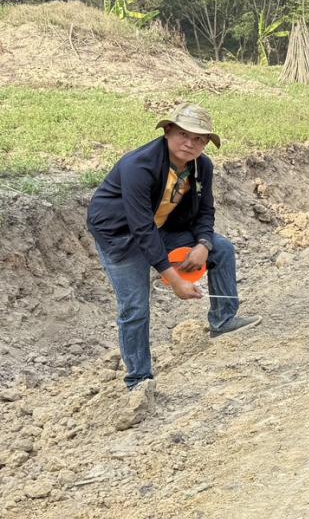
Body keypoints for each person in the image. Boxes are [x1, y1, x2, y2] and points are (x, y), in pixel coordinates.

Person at [87, 103, 260, 390]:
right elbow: (141, 229)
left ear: (206, 144)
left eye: (199, 139)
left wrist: (203, 243)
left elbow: (205, 211)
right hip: (120, 235)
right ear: (167, 131)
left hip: (160, 227)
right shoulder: (138, 166)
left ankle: (223, 320)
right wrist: (174, 278)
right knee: (135, 307)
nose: (189, 143)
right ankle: (139, 380)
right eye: (183, 134)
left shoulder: (202, 166)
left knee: (222, 248)